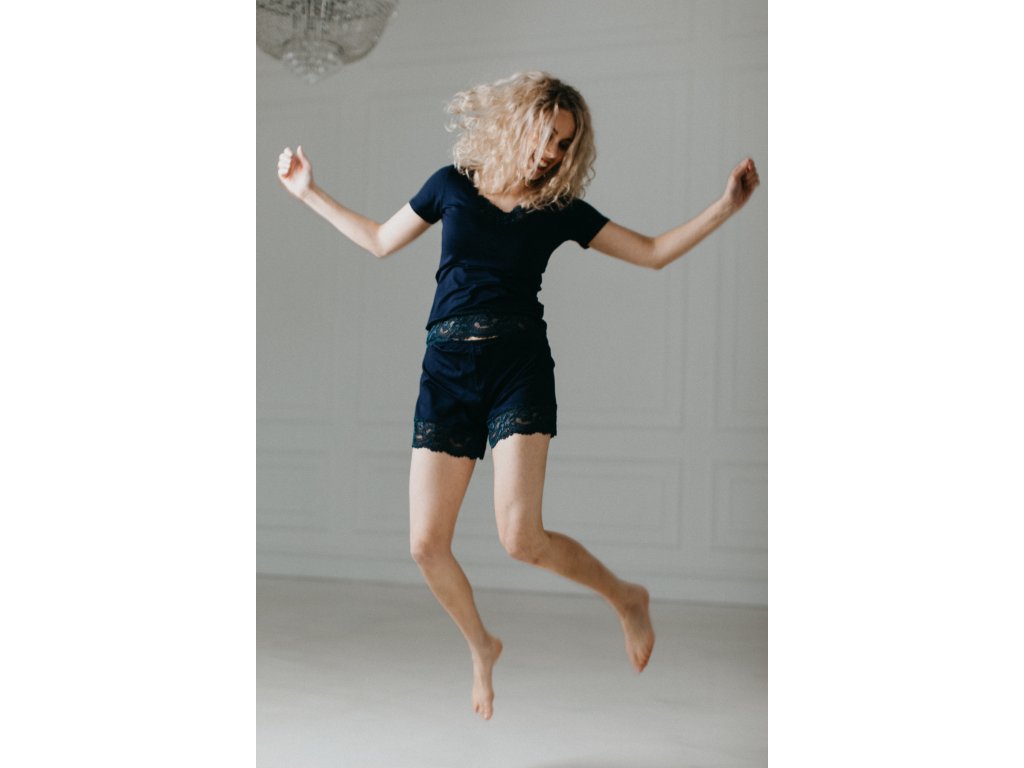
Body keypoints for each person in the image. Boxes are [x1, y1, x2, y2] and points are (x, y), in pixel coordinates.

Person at [276, 71, 760, 721]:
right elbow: (379, 240)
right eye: (548, 136)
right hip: (446, 371)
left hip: (518, 368)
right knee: (425, 545)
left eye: (565, 144)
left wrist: (727, 205)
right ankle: (483, 645)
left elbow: (650, 252)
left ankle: (626, 597)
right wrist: (307, 192)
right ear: (519, 124)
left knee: (521, 539)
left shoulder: (557, 209)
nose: (553, 153)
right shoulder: (451, 184)